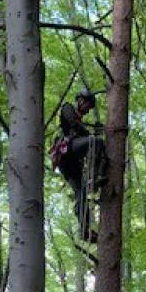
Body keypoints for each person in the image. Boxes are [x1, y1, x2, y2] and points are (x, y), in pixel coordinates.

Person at [52, 89, 108, 241]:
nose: (87, 110)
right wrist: (91, 133)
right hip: (66, 152)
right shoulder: (67, 108)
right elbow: (74, 124)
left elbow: (80, 129)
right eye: (87, 106)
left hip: (71, 162)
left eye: (90, 109)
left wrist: (93, 130)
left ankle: (85, 230)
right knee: (96, 142)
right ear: (81, 100)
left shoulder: (79, 120)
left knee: (81, 192)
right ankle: (96, 176)